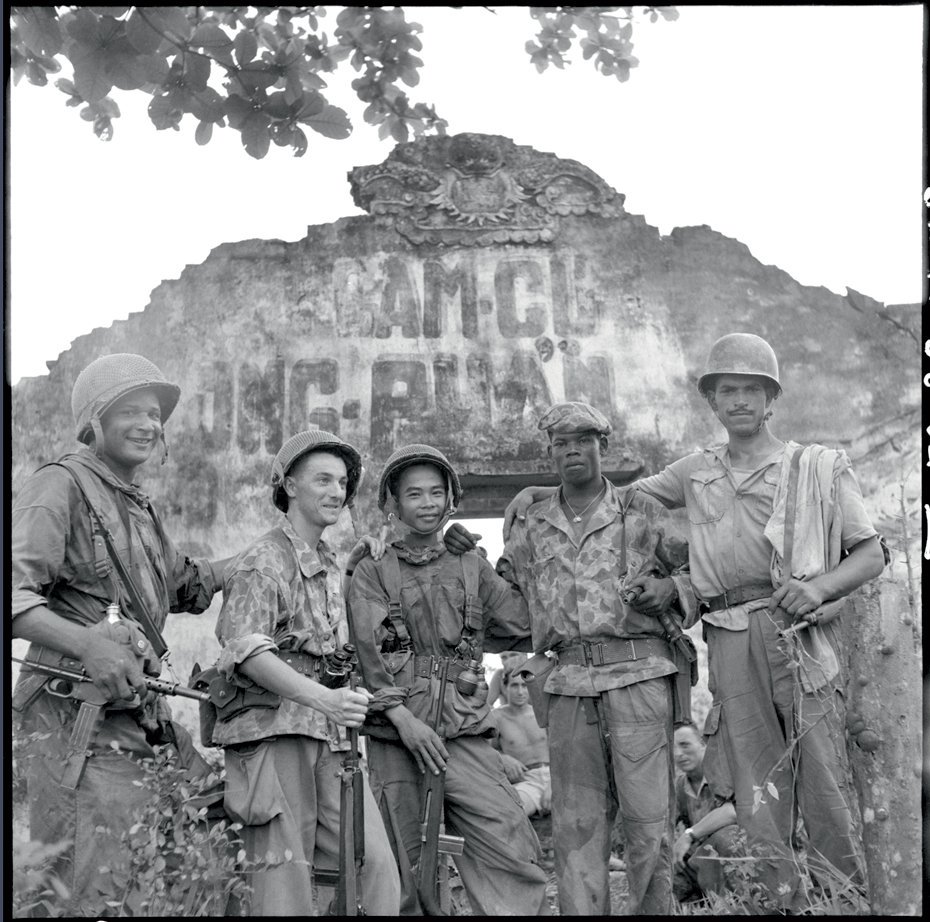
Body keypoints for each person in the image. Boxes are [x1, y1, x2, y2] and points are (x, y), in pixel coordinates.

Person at [500, 334, 886, 909]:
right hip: (728, 632)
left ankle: (845, 901)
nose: (738, 401)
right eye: (726, 390)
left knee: (824, 774)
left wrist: (818, 588)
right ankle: (781, 905)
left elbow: (872, 553)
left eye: (751, 390)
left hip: (799, 628)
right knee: (756, 787)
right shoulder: (693, 471)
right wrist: (543, 490)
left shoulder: (815, 467)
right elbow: (613, 501)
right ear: (712, 402)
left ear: (771, 397)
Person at [449, 401, 696, 915]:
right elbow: (509, 606)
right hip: (567, 688)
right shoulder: (531, 524)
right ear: (551, 453)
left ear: (602, 447)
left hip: (639, 677)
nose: (572, 451)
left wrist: (673, 587)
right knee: (576, 829)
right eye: (561, 443)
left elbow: (703, 574)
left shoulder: (641, 510)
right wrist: (465, 557)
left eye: (583, 441)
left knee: (649, 823)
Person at [11, 353, 230, 915]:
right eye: (129, 410)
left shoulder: (137, 506)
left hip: (137, 719)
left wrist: (265, 556)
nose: (147, 424)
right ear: (96, 419)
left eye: (154, 414)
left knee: (195, 859)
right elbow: (12, 596)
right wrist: (87, 644)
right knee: (92, 887)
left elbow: (184, 583)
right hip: (73, 723)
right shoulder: (59, 485)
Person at [346, 444, 550, 916]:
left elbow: (520, 621)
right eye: (413, 494)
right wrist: (404, 721)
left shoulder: (470, 563)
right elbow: (368, 656)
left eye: (437, 492)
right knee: (404, 869)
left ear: (452, 500)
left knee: (510, 844)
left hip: (464, 735)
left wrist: (505, 549)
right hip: (396, 737)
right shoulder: (373, 569)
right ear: (392, 505)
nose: (427, 503)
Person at [213, 429, 400, 916]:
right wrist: (323, 699)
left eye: (341, 482)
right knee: (282, 885)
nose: (336, 491)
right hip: (275, 733)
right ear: (290, 486)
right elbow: (246, 649)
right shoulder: (263, 559)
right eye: (322, 479)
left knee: (374, 867)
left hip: (331, 737)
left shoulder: (329, 562)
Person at [671, 723, 739, 903]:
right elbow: (664, 823)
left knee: (725, 836)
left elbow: (732, 812)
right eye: (674, 748)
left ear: (703, 744)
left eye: (685, 745)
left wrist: (688, 835)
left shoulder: (722, 774)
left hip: (731, 861)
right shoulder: (679, 786)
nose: (678, 753)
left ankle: (733, 903)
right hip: (699, 863)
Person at [489, 661, 551, 818]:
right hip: (527, 781)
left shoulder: (543, 713)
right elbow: (486, 751)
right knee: (510, 812)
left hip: (553, 776)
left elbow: (563, 750)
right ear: (504, 688)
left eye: (524, 686)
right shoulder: (496, 718)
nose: (520, 691)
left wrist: (553, 784)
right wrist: (503, 758)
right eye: (514, 685)